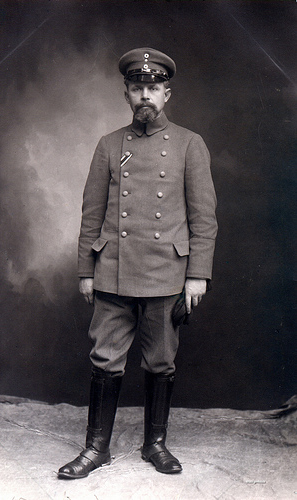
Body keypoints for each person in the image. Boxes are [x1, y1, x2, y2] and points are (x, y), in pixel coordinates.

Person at [58, 47, 217, 479]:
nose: (145, 95)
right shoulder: (109, 145)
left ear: (167, 94)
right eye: (137, 88)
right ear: (126, 94)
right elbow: (91, 213)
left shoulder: (189, 144)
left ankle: (155, 444)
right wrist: (85, 270)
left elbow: (204, 218)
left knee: (161, 362)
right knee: (104, 360)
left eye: (153, 88)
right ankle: (96, 448)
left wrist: (197, 274)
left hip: (167, 273)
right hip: (113, 272)